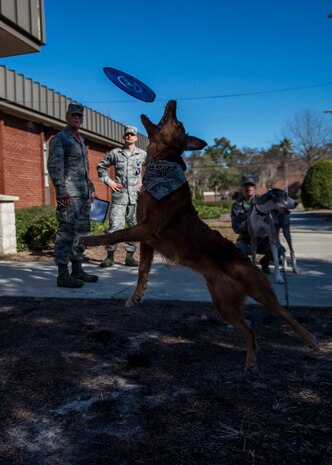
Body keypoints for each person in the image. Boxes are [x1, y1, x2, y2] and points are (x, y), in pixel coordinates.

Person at [47, 103, 99, 288]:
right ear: (67, 117)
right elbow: (54, 167)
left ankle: (77, 269)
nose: (77, 118)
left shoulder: (80, 139)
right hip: (69, 195)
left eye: (79, 116)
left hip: (83, 195)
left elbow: (83, 170)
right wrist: (61, 190)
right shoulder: (60, 138)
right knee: (66, 233)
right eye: (73, 115)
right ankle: (63, 274)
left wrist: (91, 187)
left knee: (83, 233)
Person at [97, 126, 147, 267]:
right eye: (127, 134)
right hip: (120, 196)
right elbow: (101, 167)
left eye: (132, 134)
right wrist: (109, 182)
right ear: (123, 137)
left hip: (136, 197)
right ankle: (110, 256)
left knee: (133, 227)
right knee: (115, 226)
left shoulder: (142, 154)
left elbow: (152, 169)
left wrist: (145, 183)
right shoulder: (115, 153)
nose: (129, 136)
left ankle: (129, 257)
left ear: (136, 137)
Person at [231, 174, 272, 273]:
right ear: (241, 187)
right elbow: (236, 228)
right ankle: (248, 264)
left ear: (254, 187)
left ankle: (265, 262)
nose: (248, 187)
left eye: (251, 185)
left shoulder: (262, 202)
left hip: (262, 239)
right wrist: (248, 222)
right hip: (246, 239)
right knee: (237, 251)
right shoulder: (236, 205)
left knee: (279, 249)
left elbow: (270, 221)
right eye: (246, 185)